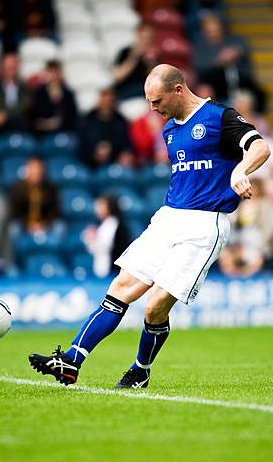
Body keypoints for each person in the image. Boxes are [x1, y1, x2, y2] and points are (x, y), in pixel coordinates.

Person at [29, 64, 270, 389]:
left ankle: (141, 369)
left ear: (178, 90)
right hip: (169, 217)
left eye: (156, 101)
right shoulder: (169, 129)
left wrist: (241, 170)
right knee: (121, 287)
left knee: (155, 304)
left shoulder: (219, 117)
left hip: (205, 224)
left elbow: (260, 147)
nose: (152, 108)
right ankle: (71, 360)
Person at [193, 13, 266, 112]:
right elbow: (200, 66)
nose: (212, 33)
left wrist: (236, 51)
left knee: (257, 96)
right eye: (208, 30)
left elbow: (243, 47)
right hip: (216, 86)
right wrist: (218, 61)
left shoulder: (234, 40)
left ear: (221, 28)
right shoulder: (200, 47)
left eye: (215, 29)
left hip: (239, 84)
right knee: (205, 92)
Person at [79, 88, 134, 168]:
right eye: (104, 102)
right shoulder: (88, 120)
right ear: (99, 102)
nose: (107, 105)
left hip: (116, 162)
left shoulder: (121, 121)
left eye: (109, 102)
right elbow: (83, 144)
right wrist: (94, 151)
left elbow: (126, 144)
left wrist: (120, 152)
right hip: (90, 163)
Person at [10, 156, 60, 234]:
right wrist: (27, 225)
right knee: (13, 229)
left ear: (43, 171)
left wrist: (44, 224)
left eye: (38, 169)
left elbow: (55, 211)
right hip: (23, 224)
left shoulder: (51, 188)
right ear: (27, 170)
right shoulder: (17, 188)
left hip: (45, 224)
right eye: (33, 169)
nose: (36, 172)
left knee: (59, 227)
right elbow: (14, 213)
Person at [83, 195, 130, 278]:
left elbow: (107, 247)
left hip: (112, 270)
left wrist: (92, 239)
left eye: (101, 205)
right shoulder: (104, 225)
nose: (97, 209)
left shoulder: (112, 224)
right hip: (102, 268)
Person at [0, 53, 30, 133]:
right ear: (2, 68)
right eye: (8, 68)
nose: (11, 71)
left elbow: (25, 106)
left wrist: (5, 115)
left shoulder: (25, 89)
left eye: (13, 68)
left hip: (20, 126)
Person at [30, 60, 77, 135]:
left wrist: (59, 101)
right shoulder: (39, 93)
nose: (53, 76)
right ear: (46, 73)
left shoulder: (68, 94)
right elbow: (34, 117)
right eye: (51, 72)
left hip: (64, 132)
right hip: (43, 134)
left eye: (56, 72)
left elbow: (72, 117)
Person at [113, 22, 158, 101]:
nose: (146, 42)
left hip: (144, 94)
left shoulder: (152, 55)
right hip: (125, 93)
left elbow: (152, 80)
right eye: (144, 38)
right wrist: (134, 56)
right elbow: (118, 76)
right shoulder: (126, 51)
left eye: (149, 39)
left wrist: (151, 62)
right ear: (138, 36)